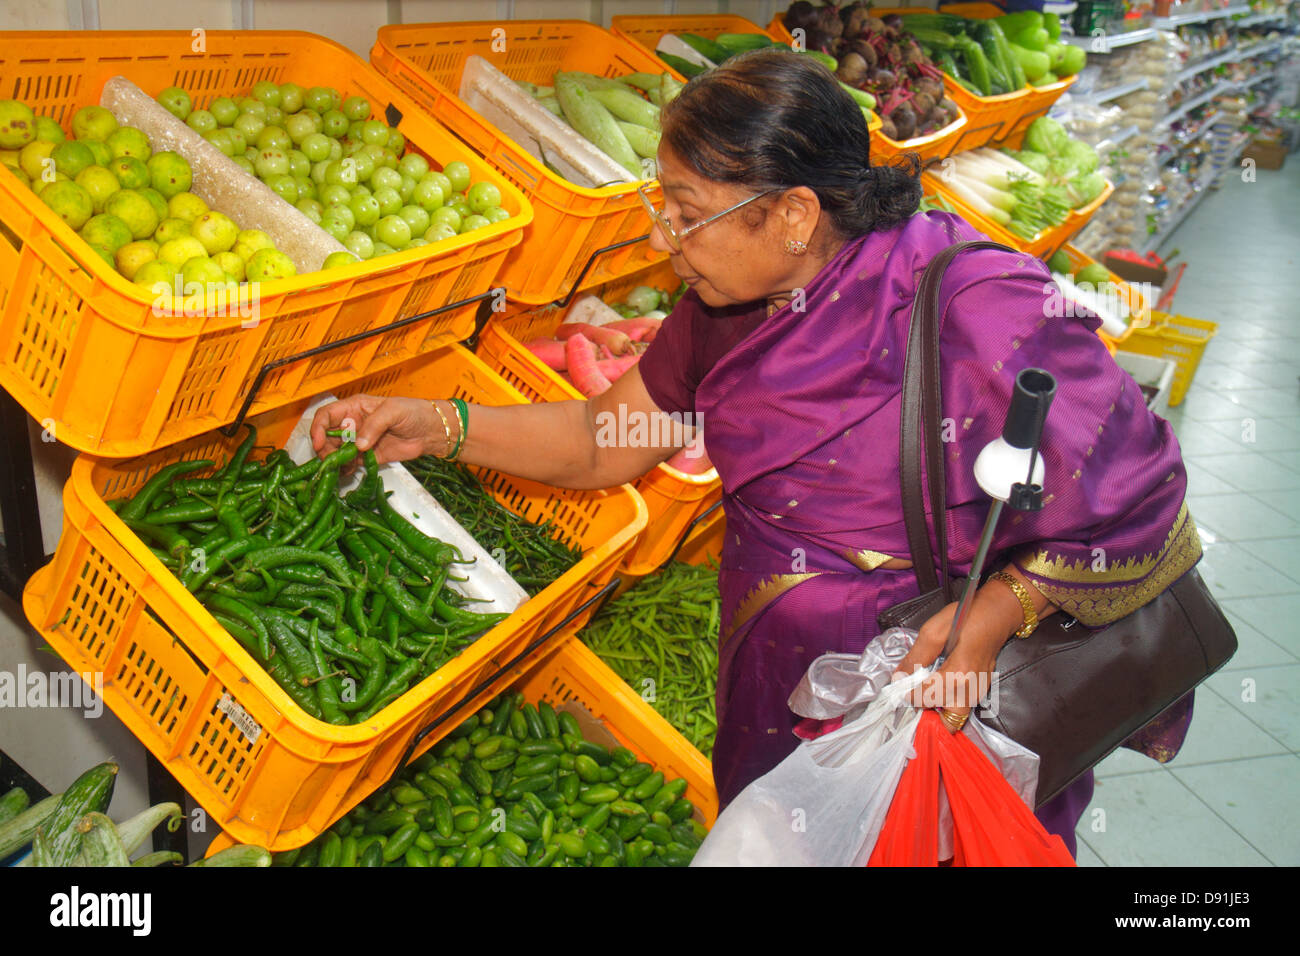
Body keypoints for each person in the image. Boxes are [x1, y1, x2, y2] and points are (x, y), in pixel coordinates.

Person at [311, 50, 1201, 858]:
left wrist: (995, 614)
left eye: (688, 214)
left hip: (939, 712)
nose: (662, 240)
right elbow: (601, 440)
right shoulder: (724, 308)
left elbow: (1144, 505)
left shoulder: (978, 310)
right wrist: (442, 426)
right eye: (661, 206)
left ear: (793, 214)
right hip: (778, 687)